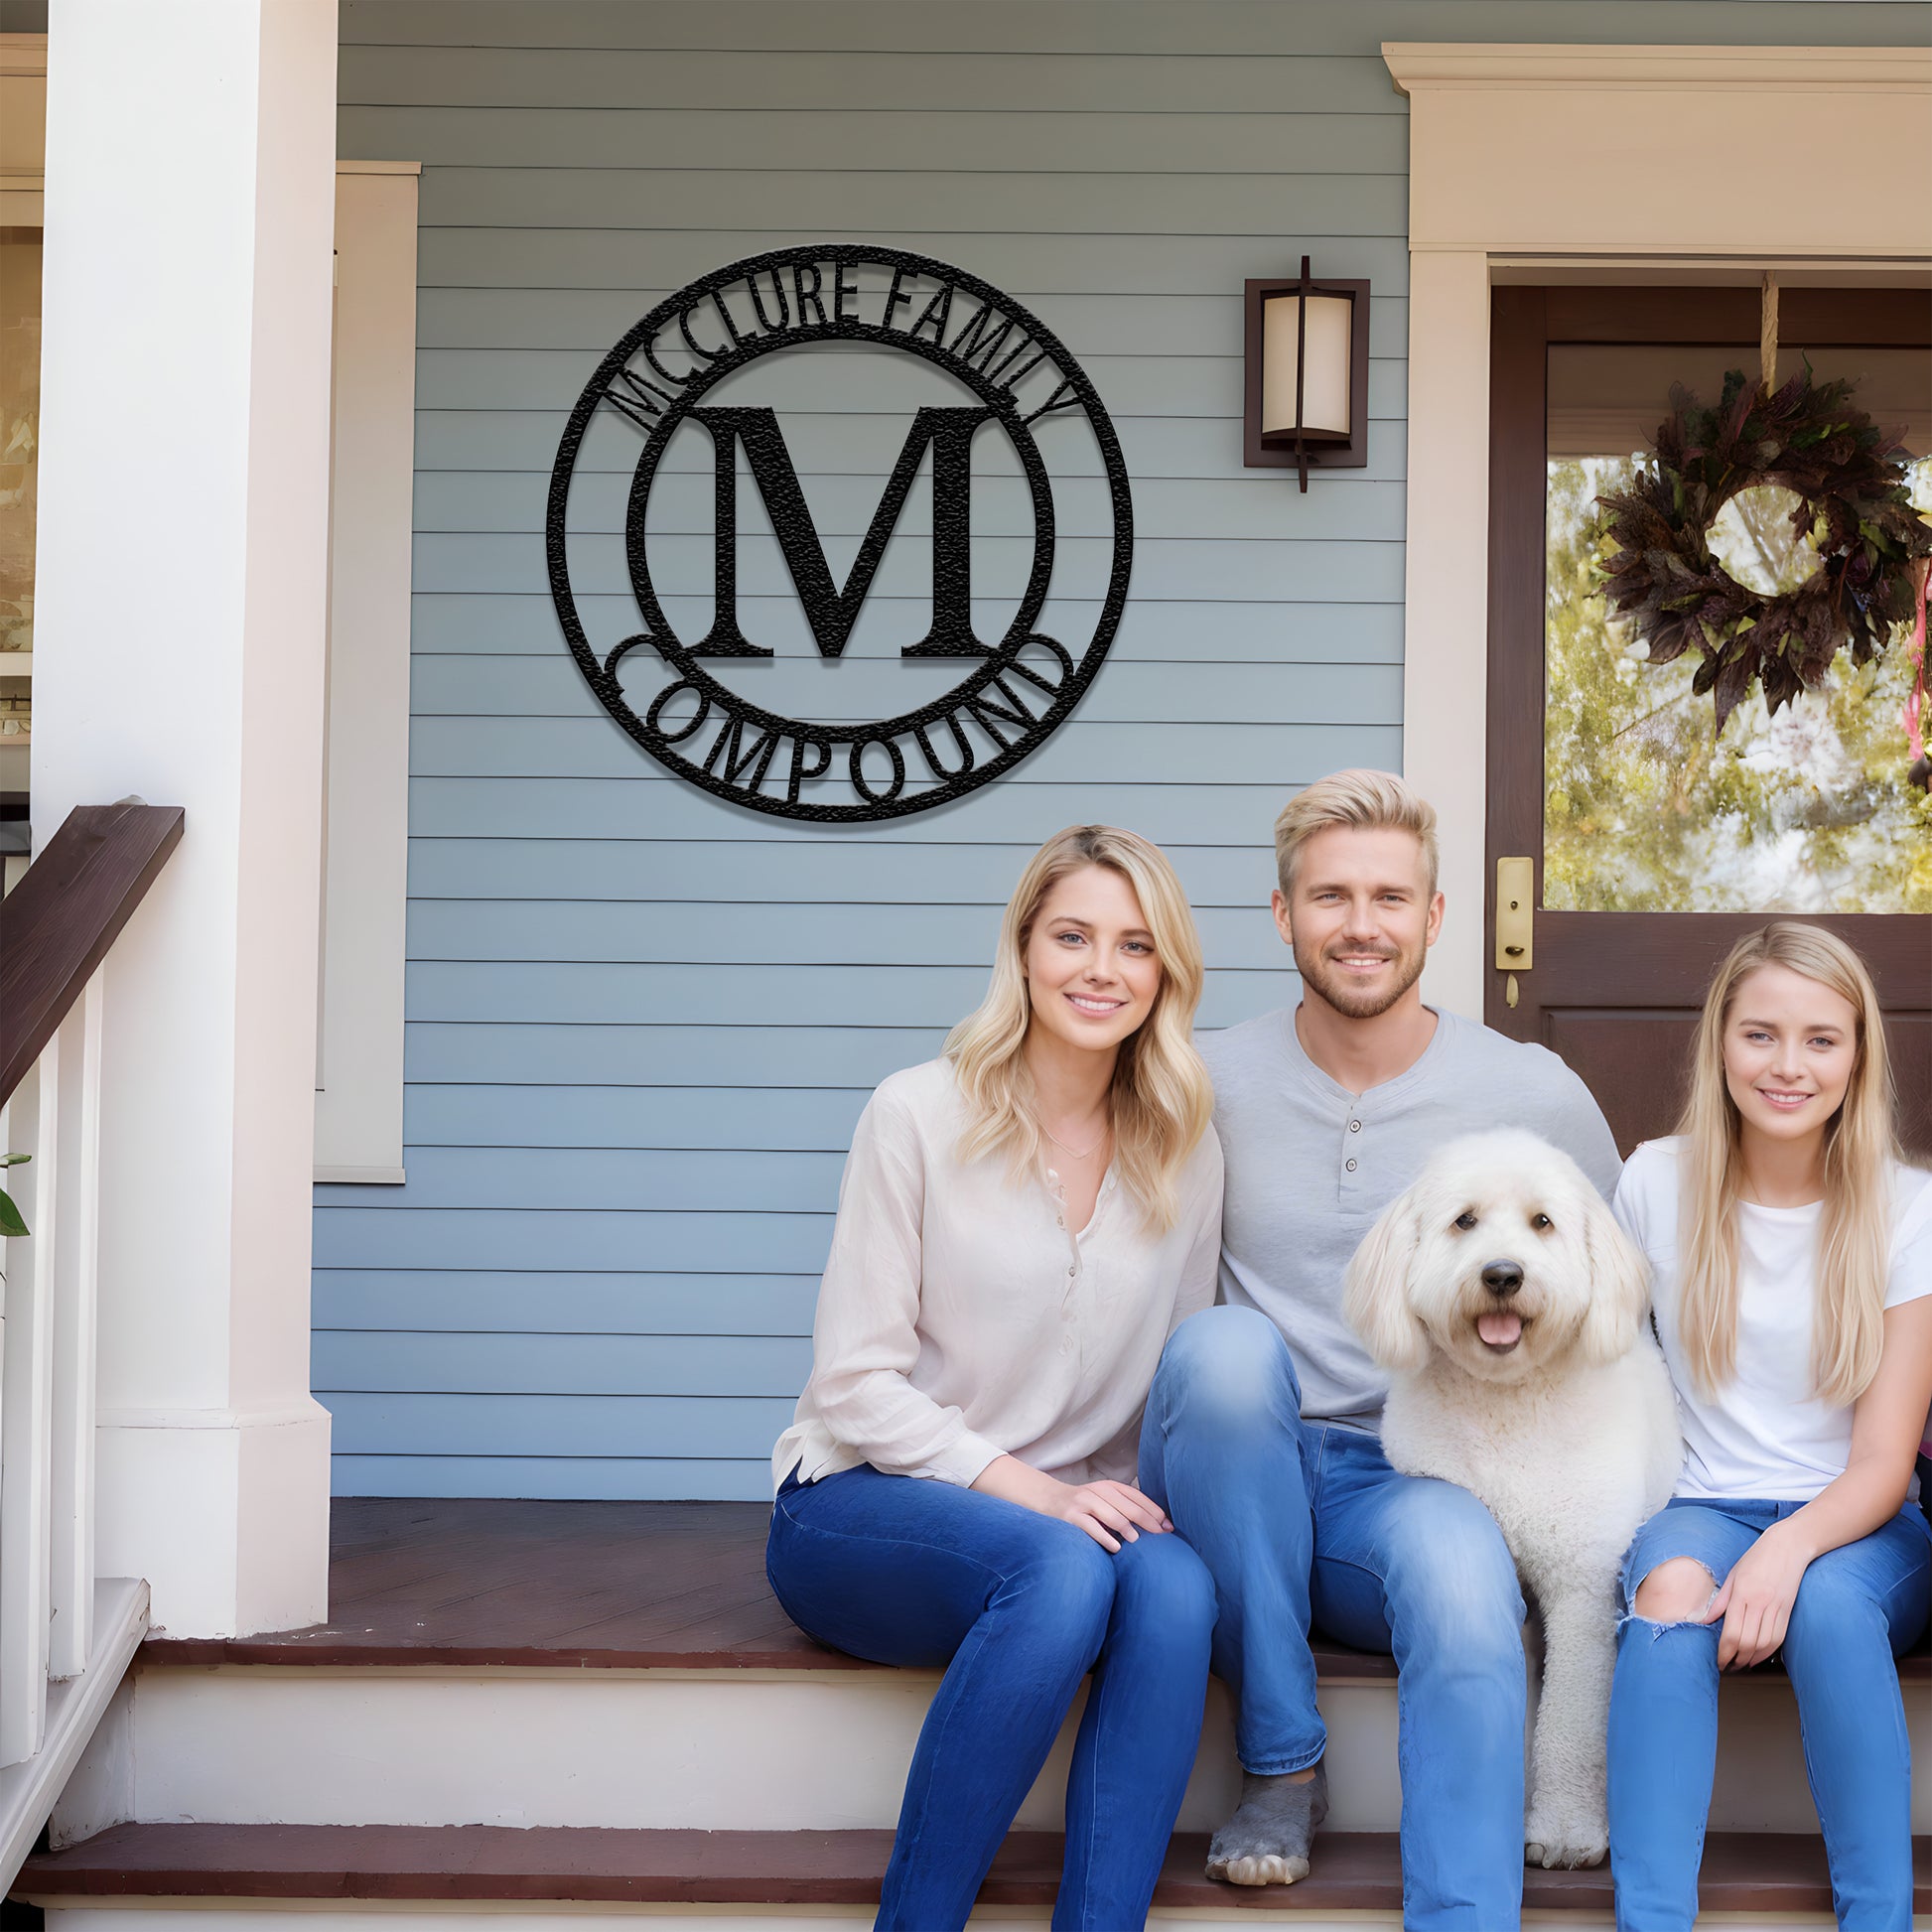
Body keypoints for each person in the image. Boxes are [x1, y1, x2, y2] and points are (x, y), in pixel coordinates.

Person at [1138, 768, 1620, 1925]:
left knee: (1464, 1581)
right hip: (1227, 1460)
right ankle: (1282, 1764)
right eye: (1331, 895)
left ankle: (1465, 1908)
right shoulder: (1198, 1078)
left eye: (1390, 897)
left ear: (1435, 916)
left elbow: (1608, 1302)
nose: (1361, 925)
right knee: (1221, 1352)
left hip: (1407, 1471)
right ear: (1281, 912)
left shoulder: (1531, 1092)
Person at [765, 825, 1225, 1932]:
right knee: (1063, 1573)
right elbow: (853, 1387)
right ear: (1021, 949)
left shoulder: (1184, 1146)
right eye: (1071, 935)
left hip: (1069, 1519)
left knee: (1174, 1590)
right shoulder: (916, 1111)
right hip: (860, 1502)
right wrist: (1042, 1494)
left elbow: (1172, 1371)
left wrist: (1097, 1504)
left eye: (1133, 944)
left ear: (1164, 972)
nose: (1099, 969)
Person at [1607, 923, 1932, 1932]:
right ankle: (1649, 1916)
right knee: (1667, 1590)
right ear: (1718, 1044)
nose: (1786, 1065)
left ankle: (1875, 1917)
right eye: (1758, 1034)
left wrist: (1784, 1549)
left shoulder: (1906, 1206)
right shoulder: (1653, 1181)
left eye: (1819, 1040)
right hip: (1698, 1505)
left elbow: (1882, 1462)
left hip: (1858, 1521)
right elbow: (1602, 1382)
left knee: (1831, 1610)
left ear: (1857, 1057)